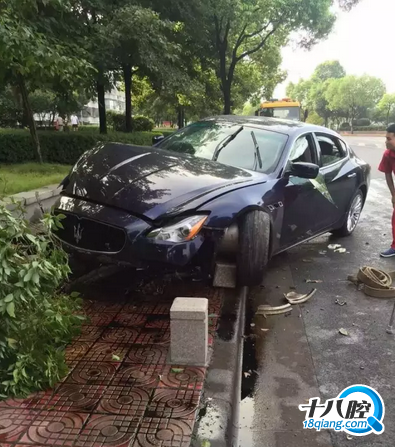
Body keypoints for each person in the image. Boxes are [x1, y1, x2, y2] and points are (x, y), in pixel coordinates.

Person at [379, 123, 395, 257]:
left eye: (389, 139)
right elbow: (388, 173)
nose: (386, 142)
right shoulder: (388, 154)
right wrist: (393, 195)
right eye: (386, 138)